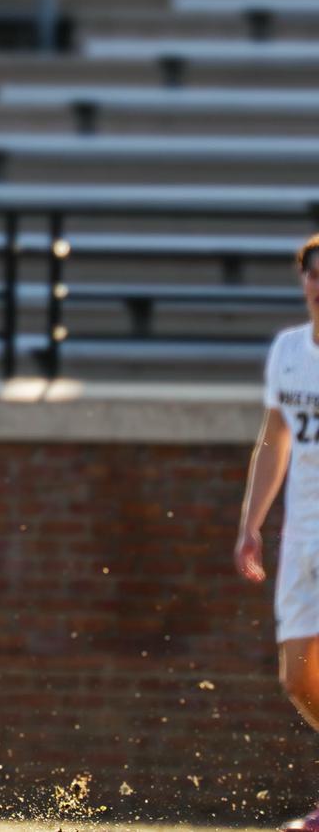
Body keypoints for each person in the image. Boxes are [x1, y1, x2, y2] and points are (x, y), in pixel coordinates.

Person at [236, 233, 319, 832]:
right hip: (303, 537)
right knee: (297, 678)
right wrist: (251, 524)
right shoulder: (289, 349)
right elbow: (275, 439)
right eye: (314, 273)